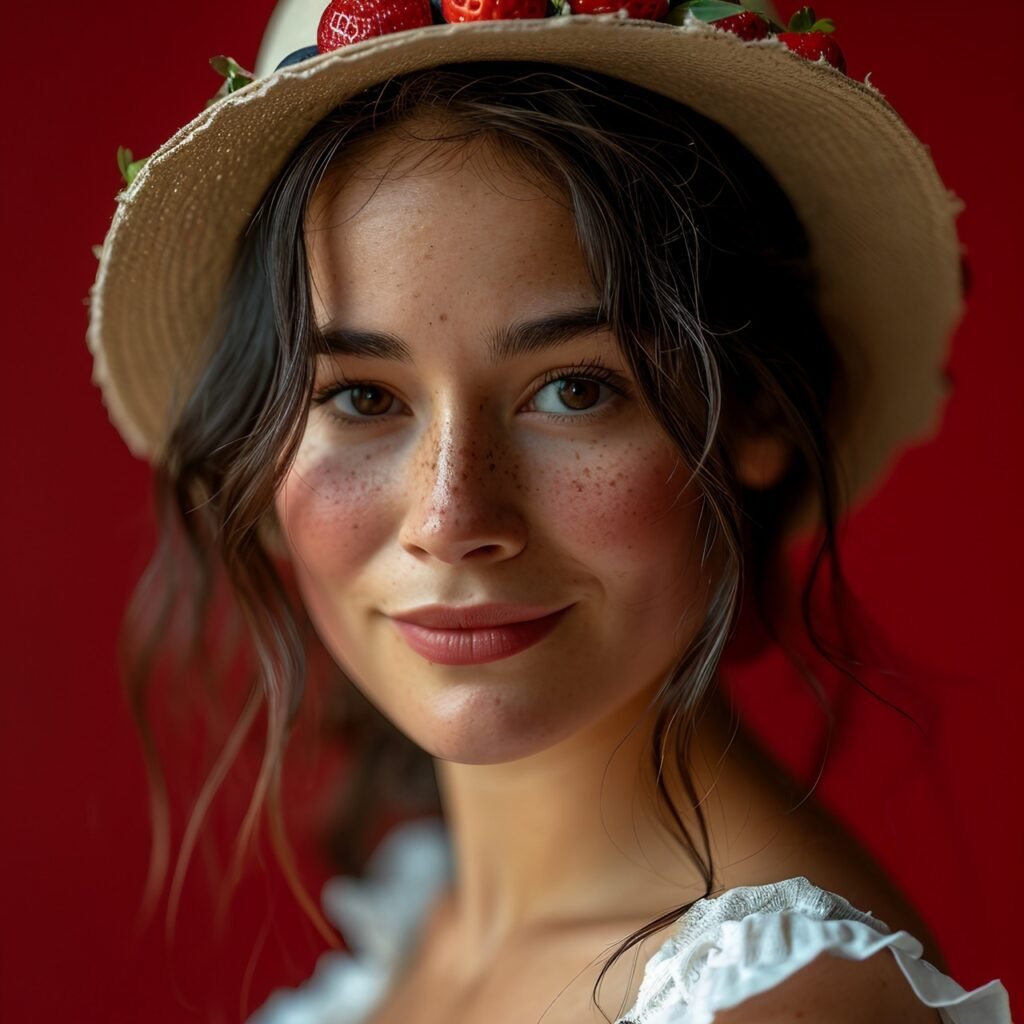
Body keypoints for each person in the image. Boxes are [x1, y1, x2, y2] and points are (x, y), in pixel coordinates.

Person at [86, 0, 1013, 1022]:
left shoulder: (777, 1004)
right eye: (360, 397)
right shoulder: (425, 913)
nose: (451, 516)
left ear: (755, 409)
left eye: (575, 388)